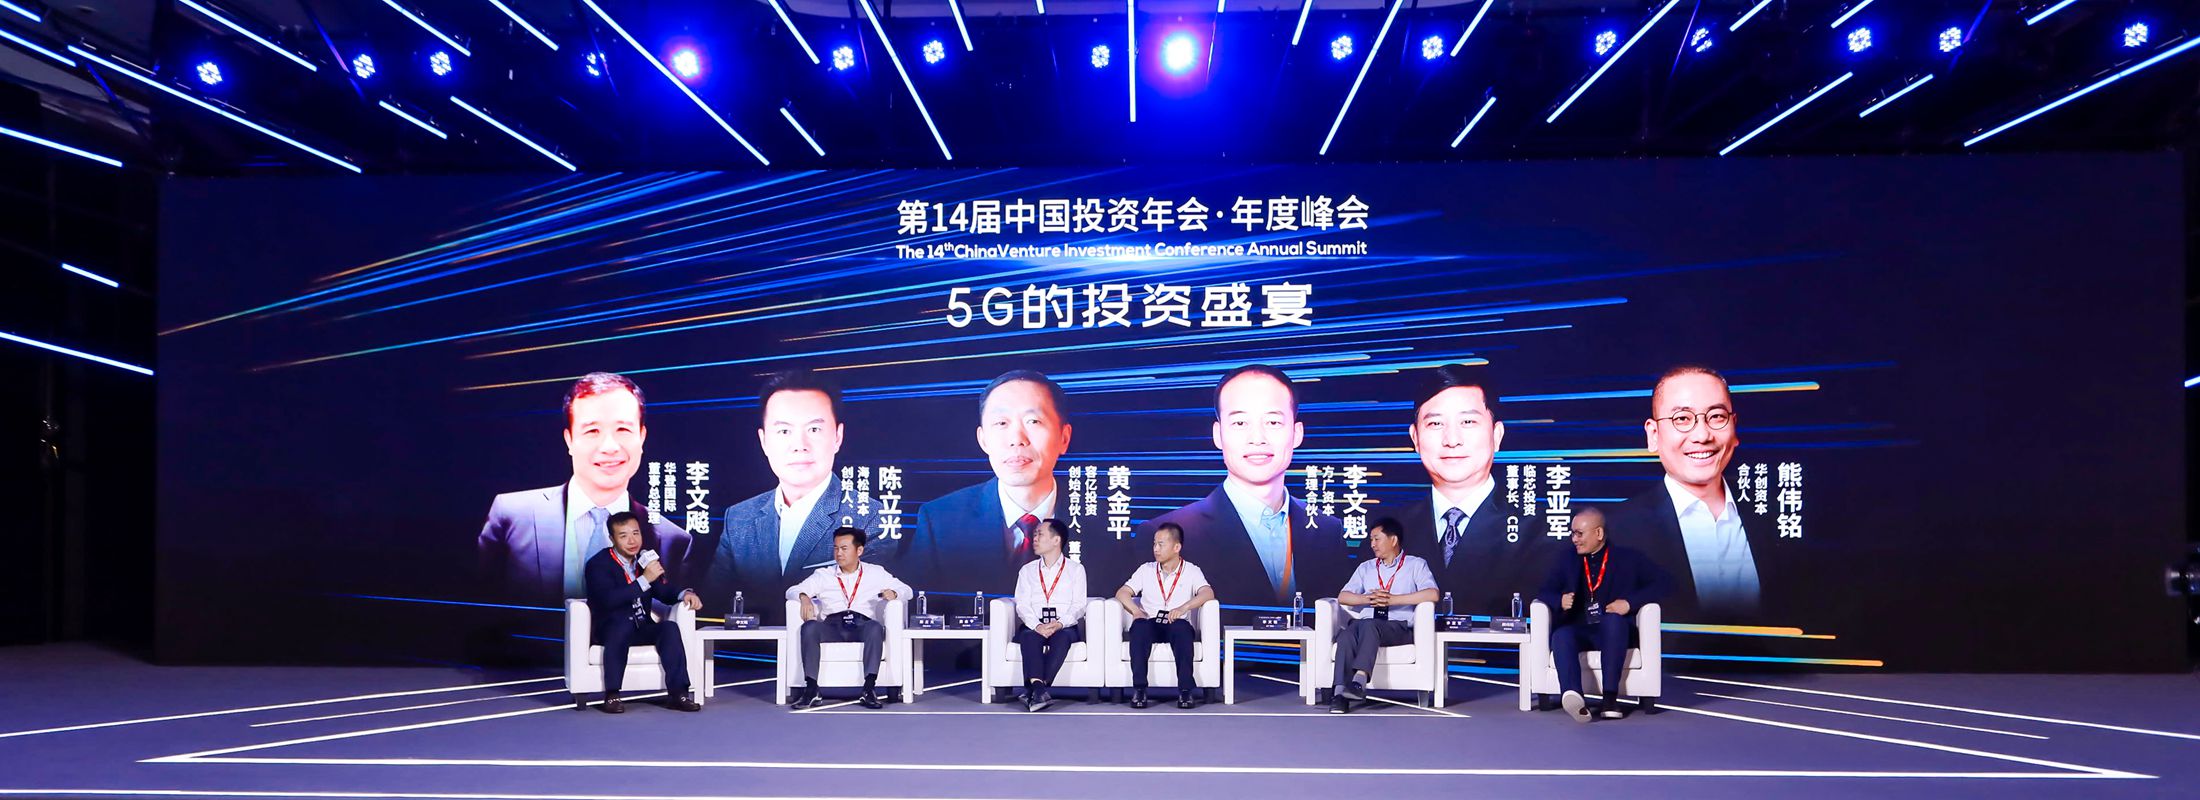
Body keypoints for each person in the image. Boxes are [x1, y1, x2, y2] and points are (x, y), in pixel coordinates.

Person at [1136, 364, 1347, 609]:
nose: (1257, 438)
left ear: (1297, 433)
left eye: (1273, 422)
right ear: (1218, 434)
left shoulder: (1327, 532)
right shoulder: (1170, 533)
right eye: (1239, 423)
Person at [479, 372, 696, 603]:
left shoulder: (674, 540)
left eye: (623, 430)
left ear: (641, 437)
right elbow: (477, 602)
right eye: (592, 431)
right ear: (569, 440)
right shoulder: (512, 515)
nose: (609, 447)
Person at [709, 370, 882, 623]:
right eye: (784, 431)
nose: (800, 445)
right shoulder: (739, 518)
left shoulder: (869, 516)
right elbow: (713, 602)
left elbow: (871, 603)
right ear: (764, 441)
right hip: (752, 645)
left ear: (837, 437)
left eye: (814, 429)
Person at [1608, 365, 1772, 621]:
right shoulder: (1615, 531)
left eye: (1716, 416)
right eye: (1682, 419)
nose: (1702, 435)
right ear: (1653, 435)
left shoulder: (1772, 519)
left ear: (1734, 427)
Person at [1391, 364, 1540, 616]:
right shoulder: (1392, 529)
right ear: (1415, 438)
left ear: (1497, 435)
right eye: (1435, 423)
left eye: (1468, 421)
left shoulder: (1536, 528)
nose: (1452, 440)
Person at [911, 370, 1078, 595]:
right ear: (983, 440)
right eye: (1001, 423)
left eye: (1033, 421)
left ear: (1064, 438)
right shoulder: (940, 522)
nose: (1017, 439)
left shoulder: (1108, 522)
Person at [1536, 506, 1670, 722]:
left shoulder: (1628, 559)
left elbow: (1664, 583)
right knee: (1562, 635)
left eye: (1579, 533)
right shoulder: (1567, 559)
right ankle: (1573, 696)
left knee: (1613, 621)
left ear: (1598, 533)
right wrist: (1559, 600)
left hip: (1614, 632)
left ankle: (1610, 699)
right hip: (1581, 629)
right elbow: (1544, 591)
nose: (1574, 539)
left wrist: (1629, 603)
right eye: (1572, 533)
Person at [583, 512, 703, 713]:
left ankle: (678, 693)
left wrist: (685, 594)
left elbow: (662, 591)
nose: (632, 541)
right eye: (623, 536)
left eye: (636, 533)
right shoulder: (598, 564)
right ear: (612, 539)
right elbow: (608, 600)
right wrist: (644, 579)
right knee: (622, 625)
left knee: (669, 628)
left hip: (641, 626)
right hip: (610, 628)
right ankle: (612, 695)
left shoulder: (643, 560)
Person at [786, 527, 912, 710]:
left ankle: (869, 689)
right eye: (836, 548)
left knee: (875, 628)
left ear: (859, 550)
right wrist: (804, 597)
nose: (839, 553)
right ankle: (811, 690)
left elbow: (907, 590)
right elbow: (792, 590)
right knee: (809, 627)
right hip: (832, 627)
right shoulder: (823, 575)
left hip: (862, 625)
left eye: (844, 548)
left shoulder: (876, 573)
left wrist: (894, 593)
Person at [1327, 517, 1439, 714]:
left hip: (1398, 627)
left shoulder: (1415, 565)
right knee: (1345, 635)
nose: (1372, 544)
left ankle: (1360, 681)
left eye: (1377, 539)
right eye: (1371, 540)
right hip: (1365, 624)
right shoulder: (1366, 567)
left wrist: (1393, 600)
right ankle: (1339, 695)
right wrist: (1368, 599)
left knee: (1370, 625)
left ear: (1393, 540)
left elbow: (1433, 594)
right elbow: (1343, 596)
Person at [1114, 522, 1215, 709]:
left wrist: (1184, 607)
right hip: (1150, 621)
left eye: (1161, 544)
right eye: (1154, 544)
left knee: (1182, 631)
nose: (1156, 549)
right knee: (1139, 628)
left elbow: (1207, 593)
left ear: (1176, 547)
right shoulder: (1146, 569)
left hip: (1176, 621)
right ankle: (1139, 689)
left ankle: (1185, 691)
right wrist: (1136, 611)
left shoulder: (1192, 570)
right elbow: (1122, 592)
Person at [1011, 519, 1087, 712]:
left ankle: (1034, 691)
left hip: (1064, 626)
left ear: (1056, 540)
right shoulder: (1027, 570)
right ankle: (1039, 690)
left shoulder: (1075, 570)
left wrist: (1059, 623)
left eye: (1040, 534)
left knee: (1062, 638)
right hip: (1034, 625)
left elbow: (1079, 605)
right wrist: (1037, 625)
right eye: (1035, 534)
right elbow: (1022, 604)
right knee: (1029, 637)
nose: (1034, 538)